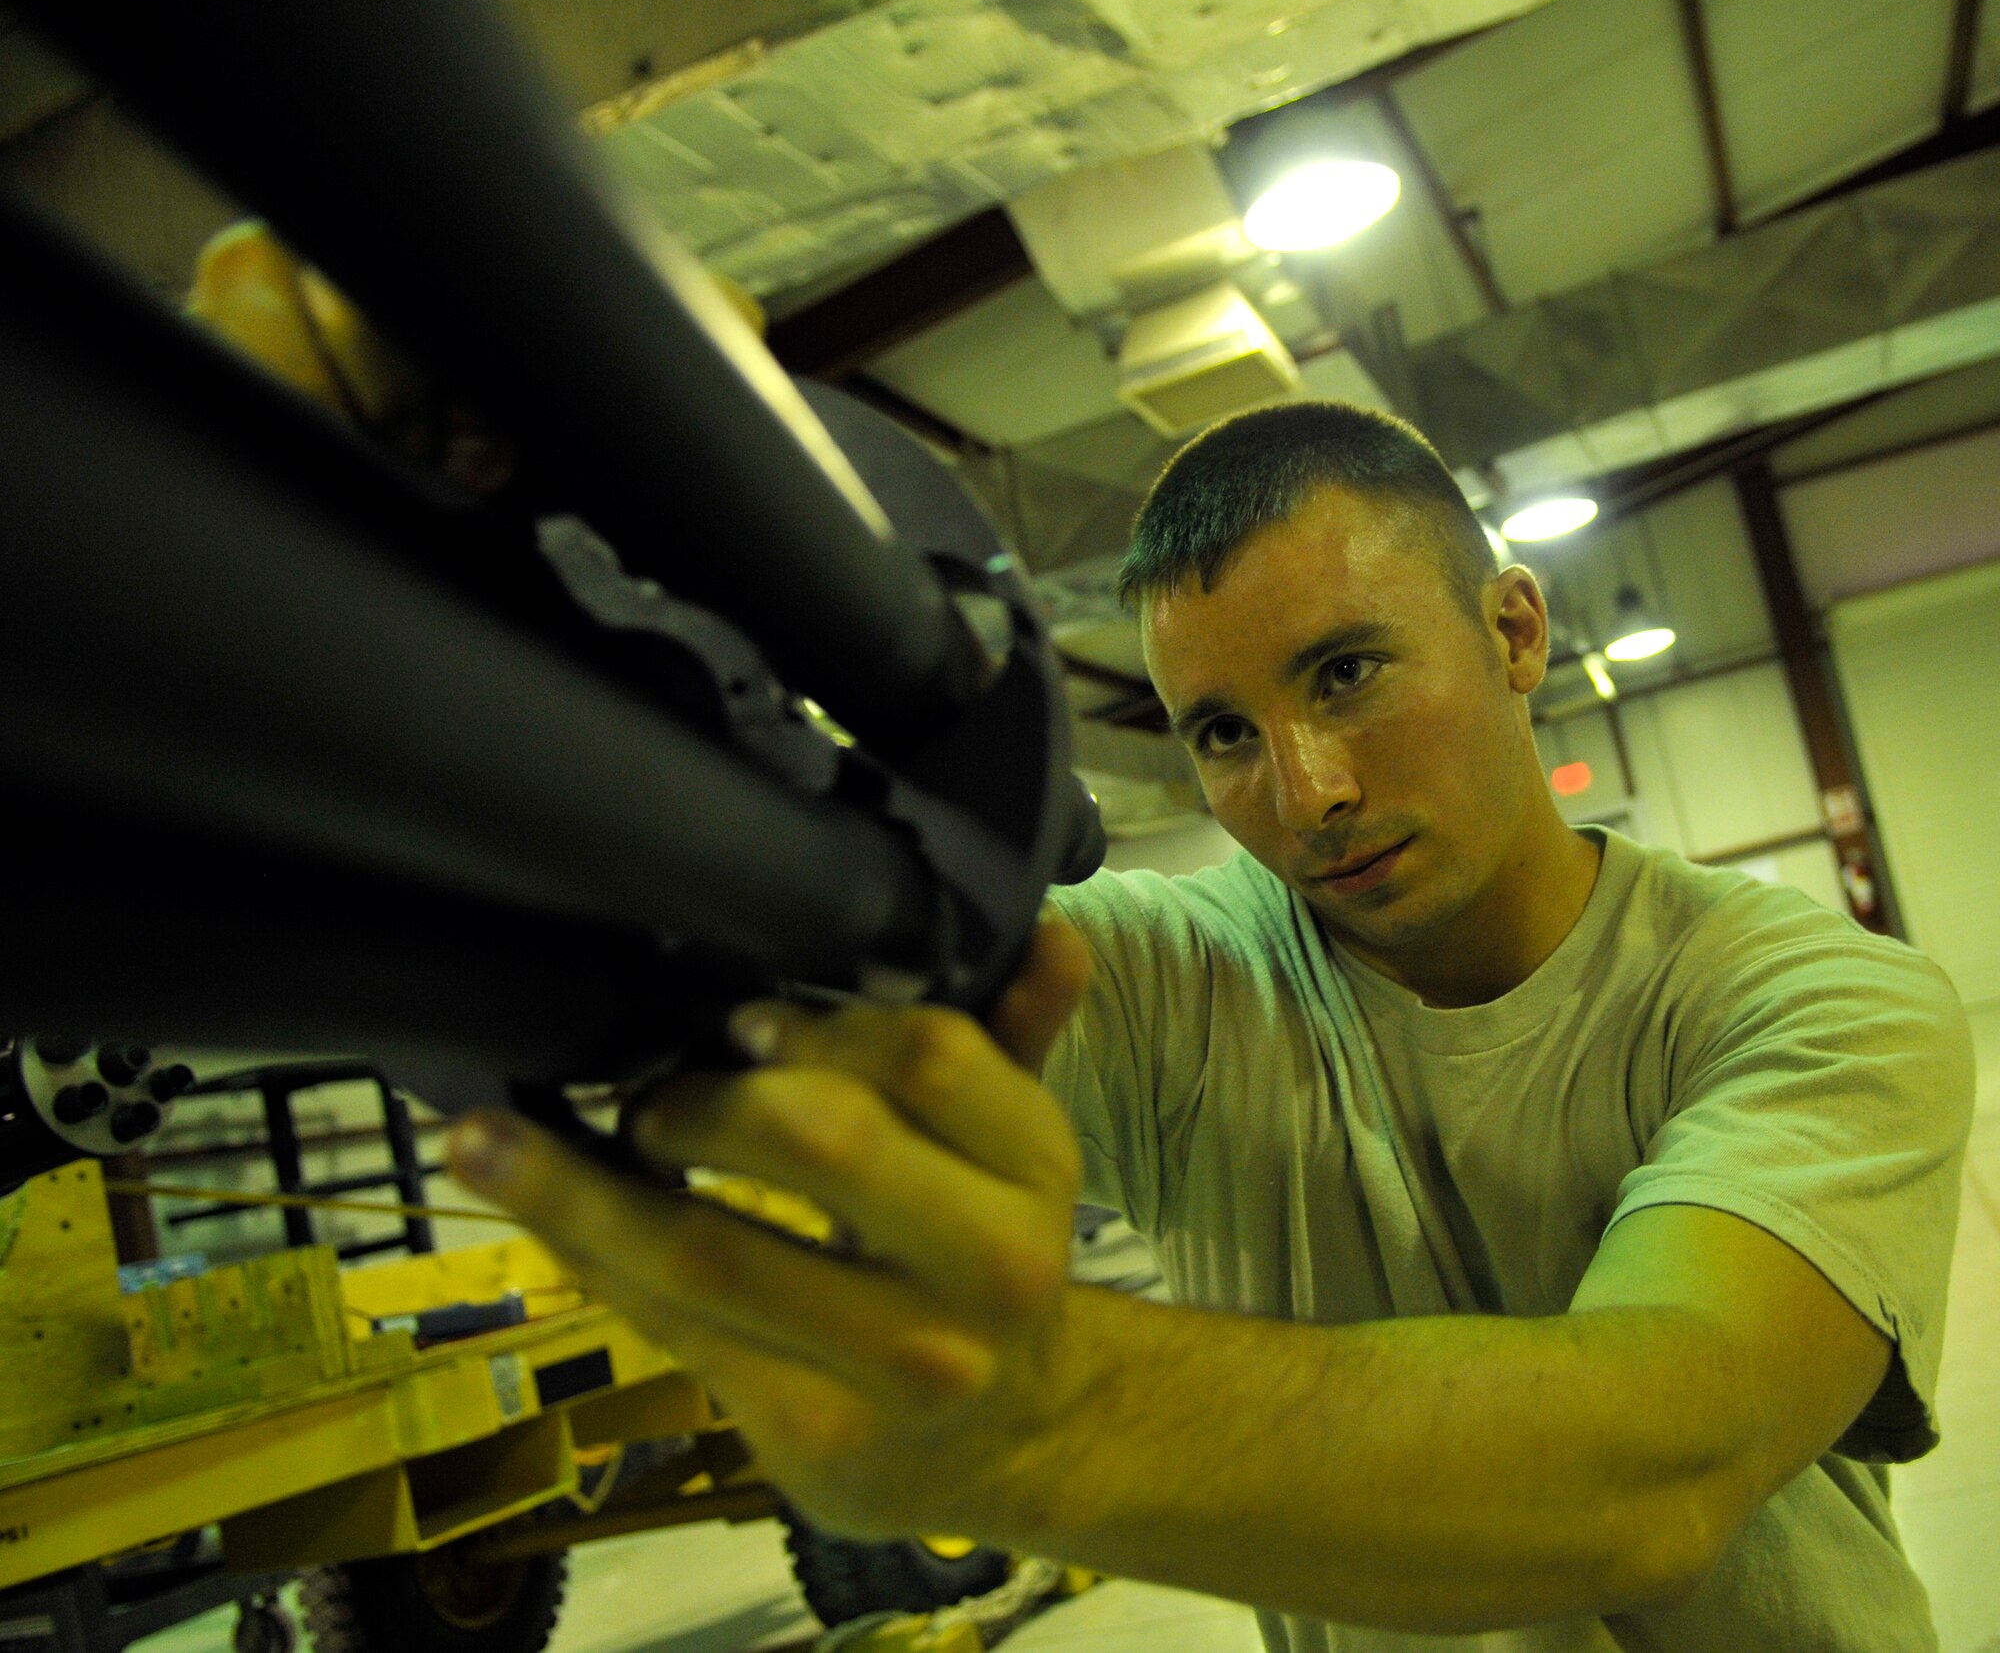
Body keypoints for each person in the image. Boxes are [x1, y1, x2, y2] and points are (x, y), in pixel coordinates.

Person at [461, 398, 1973, 1653]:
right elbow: (777, 937)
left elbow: (1663, 1462)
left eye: (1348, 672)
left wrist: (1054, 1421)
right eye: (1226, 735)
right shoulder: (1181, 986)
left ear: (1514, 631)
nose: (1306, 790)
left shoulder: (1821, 1001)